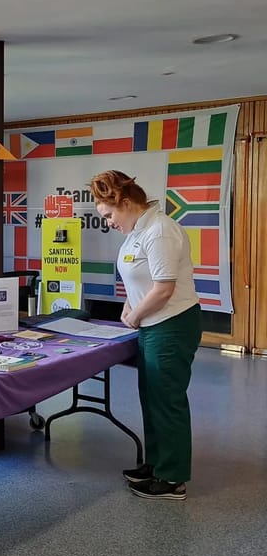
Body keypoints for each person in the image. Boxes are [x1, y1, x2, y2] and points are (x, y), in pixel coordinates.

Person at [89, 169, 201, 501]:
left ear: (124, 202)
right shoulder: (137, 231)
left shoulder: (160, 230)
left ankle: (172, 479)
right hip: (152, 325)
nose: (108, 222)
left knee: (167, 400)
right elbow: (142, 278)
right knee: (151, 400)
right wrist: (129, 305)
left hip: (171, 324)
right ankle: (156, 464)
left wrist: (136, 315)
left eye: (108, 214)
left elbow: (164, 288)